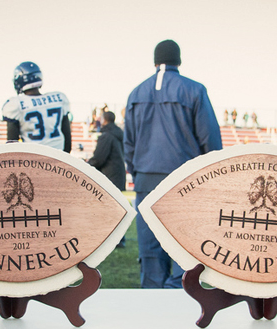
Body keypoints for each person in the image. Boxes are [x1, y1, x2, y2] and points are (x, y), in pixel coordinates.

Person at [124, 39, 223, 288]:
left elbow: (129, 143)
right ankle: (179, 293)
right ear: (178, 60)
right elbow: (209, 138)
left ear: (155, 61)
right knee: (181, 244)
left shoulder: (136, 93)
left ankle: (153, 294)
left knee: (150, 247)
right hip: (184, 180)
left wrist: (138, 172)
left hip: (147, 178)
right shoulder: (194, 89)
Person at [2, 62, 71, 152]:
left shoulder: (16, 104)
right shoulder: (59, 98)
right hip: (59, 154)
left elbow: (12, 143)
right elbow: (67, 137)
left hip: (33, 157)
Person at [88, 111, 126, 191]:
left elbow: (99, 158)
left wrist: (86, 165)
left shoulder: (107, 136)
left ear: (104, 120)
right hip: (118, 175)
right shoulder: (118, 134)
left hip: (109, 176)